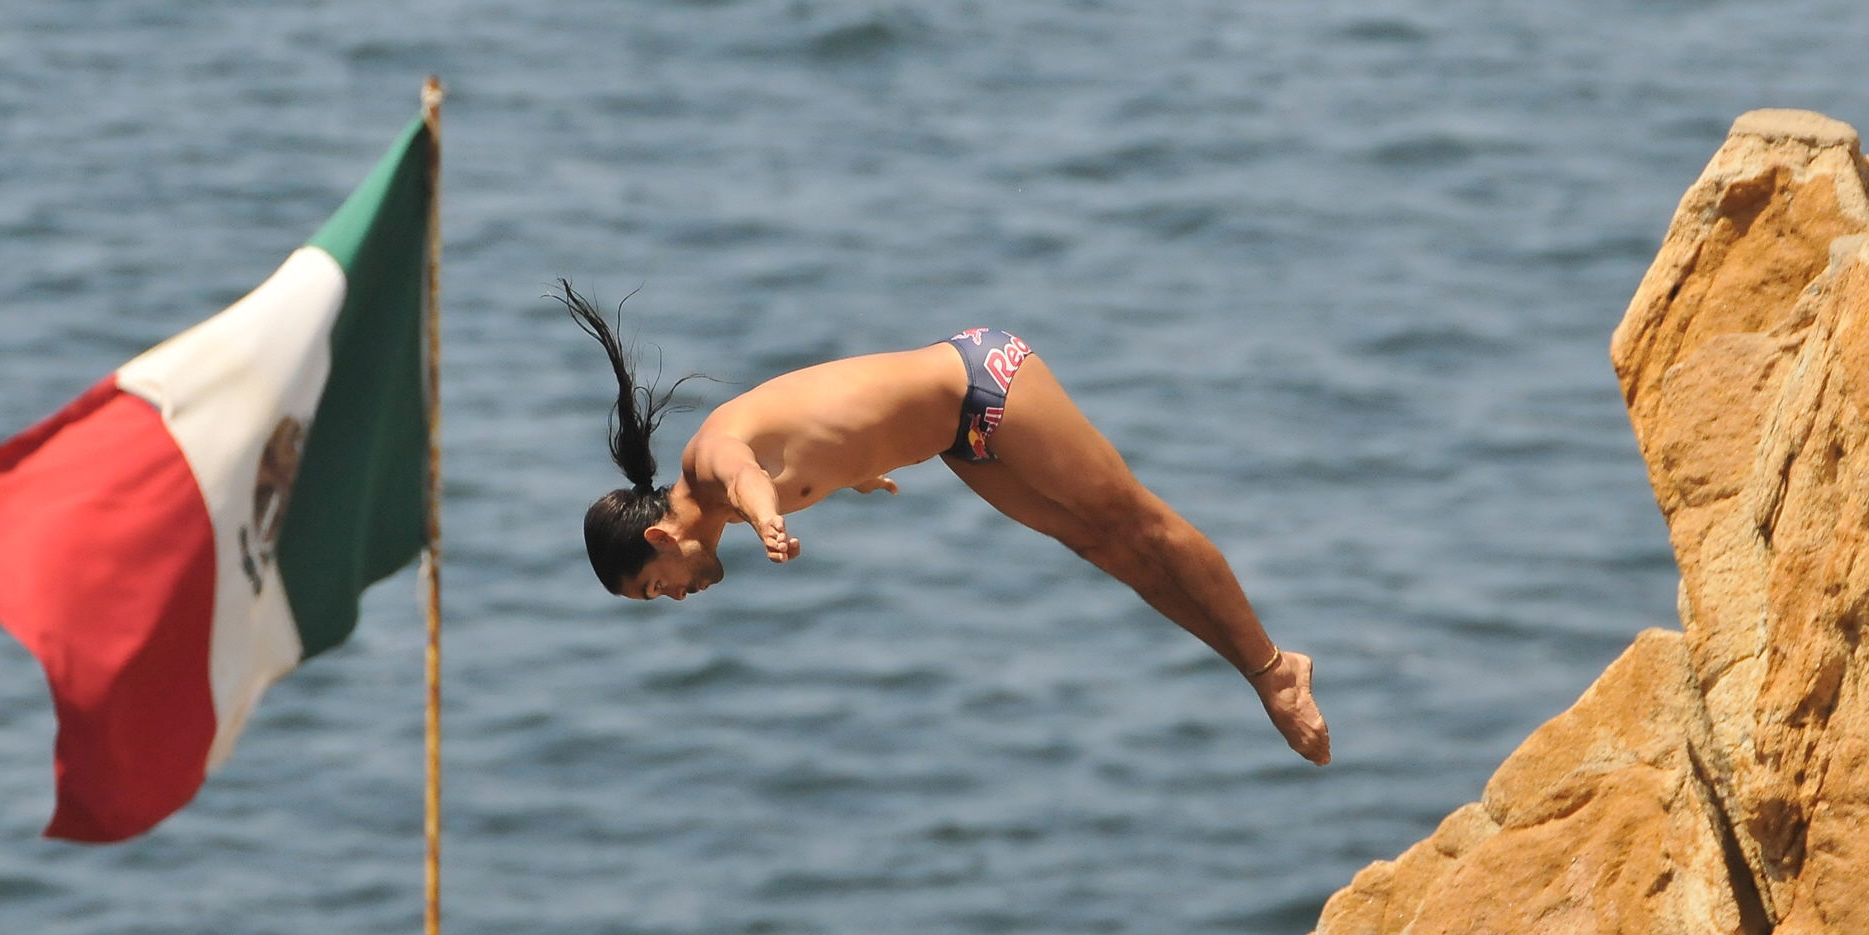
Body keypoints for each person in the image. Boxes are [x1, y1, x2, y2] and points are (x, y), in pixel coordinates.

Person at [561, 284, 1329, 765]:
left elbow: (746, 470)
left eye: (653, 589)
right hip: (960, 440)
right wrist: (859, 472)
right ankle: (1258, 671)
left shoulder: (707, 465)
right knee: (1102, 546)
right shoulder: (720, 493)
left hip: (983, 381)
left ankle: (1272, 670)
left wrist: (768, 521)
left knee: (1137, 522)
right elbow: (823, 419)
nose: (673, 599)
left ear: (659, 539)